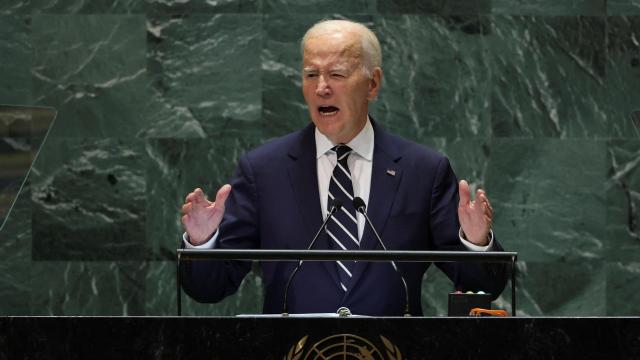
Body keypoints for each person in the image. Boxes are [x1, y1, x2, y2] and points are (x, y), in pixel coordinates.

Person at [180, 19, 507, 316]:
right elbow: (210, 288)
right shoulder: (264, 170)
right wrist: (202, 242)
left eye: (336, 74)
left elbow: (483, 287)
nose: (322, 87)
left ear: (373, 84)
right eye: (311, 75)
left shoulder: (423, 170)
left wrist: (477, 242)